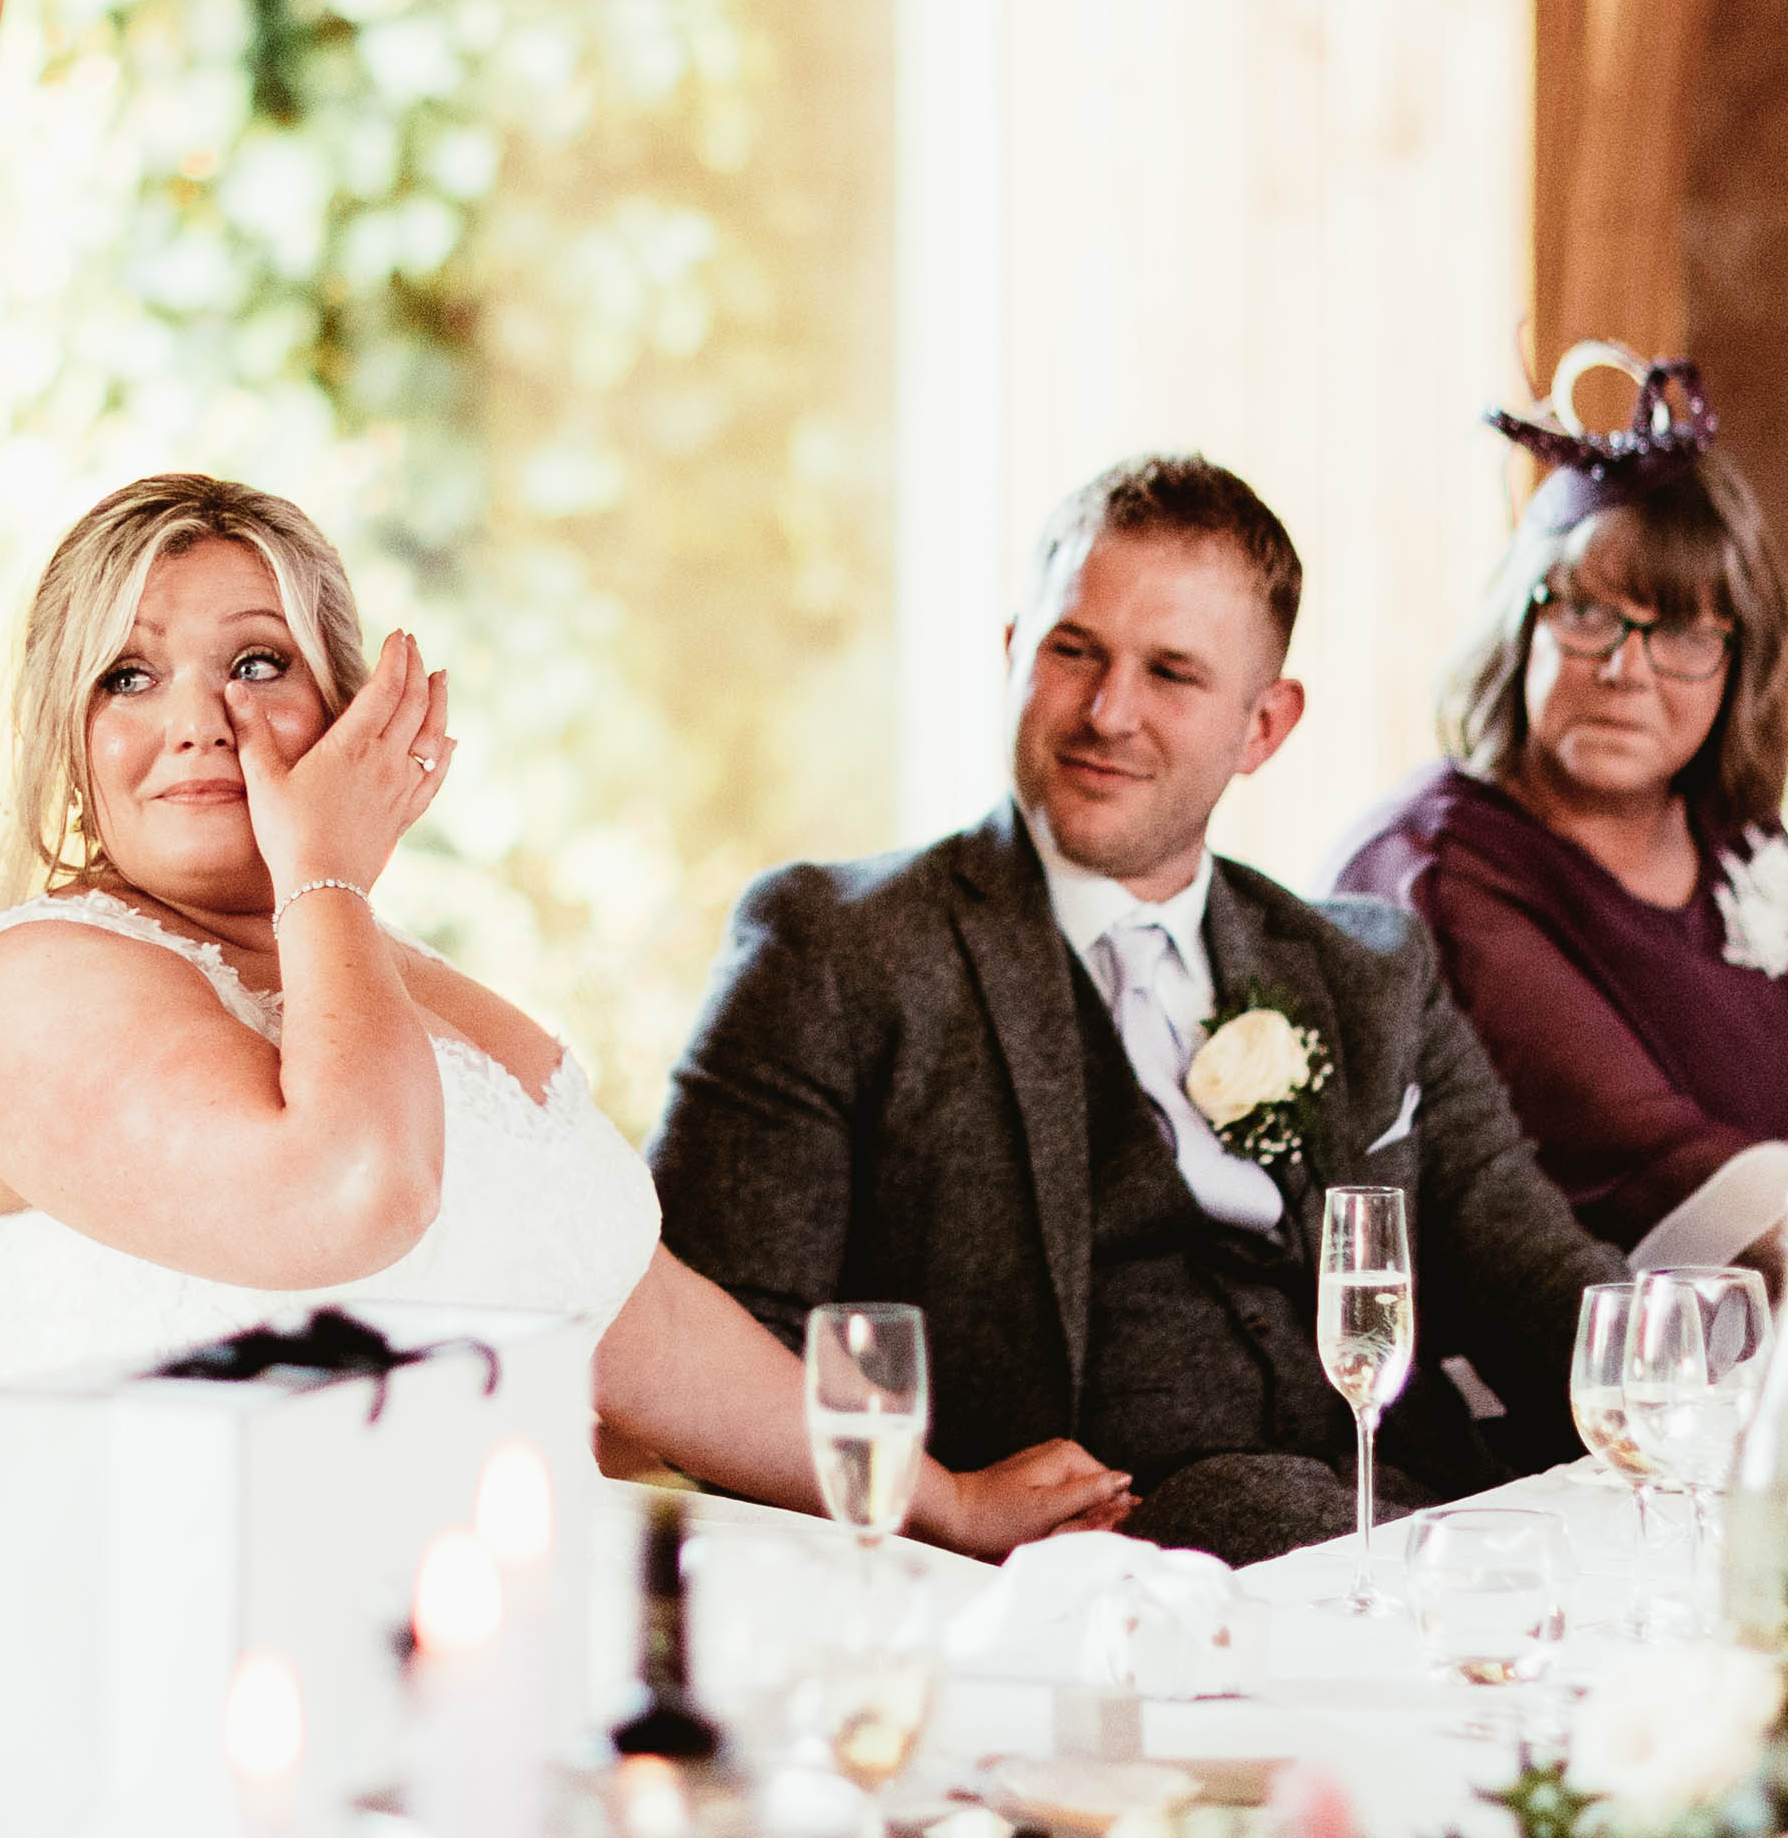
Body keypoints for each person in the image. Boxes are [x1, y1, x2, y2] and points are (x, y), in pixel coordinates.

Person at [0, 472, 1128, 1558]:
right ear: (71, 740)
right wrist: (324, 866)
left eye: (257, 663)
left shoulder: (372, 969)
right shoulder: (35, 984)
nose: (197, 720)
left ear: (350, 707)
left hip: (524, 1597)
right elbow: (352, 1194)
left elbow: (631, 1312)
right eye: (128, 675)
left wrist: (940, 1501)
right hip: (219, 1626)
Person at [656, 454, 1626, 1564]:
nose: (1106, 712)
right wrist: (939, 1496)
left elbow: (1536, 1276)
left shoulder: (1365, 969)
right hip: (1055, 1572)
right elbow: (710, 1350)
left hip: (1385, 1518)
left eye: (1170, 673)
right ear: (1014, 653)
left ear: (1263, 726)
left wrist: (1717, 1409)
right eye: (1073, 653)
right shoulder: (833, 950)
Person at [1331, 355, 1788, 1316]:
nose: (1626, 670)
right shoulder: (1440, 865)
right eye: (1587, 614)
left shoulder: (1735, 841)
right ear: (1519, 626)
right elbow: (1644, 1160)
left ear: (1738, 664)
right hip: (1622, 1376)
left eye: (1684, 632)